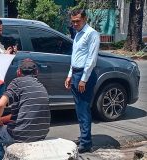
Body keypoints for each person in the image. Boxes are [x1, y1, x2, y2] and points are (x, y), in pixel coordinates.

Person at [0, 58, 51, 160]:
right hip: (41, 133)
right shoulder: (41, 86)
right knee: (5, 131)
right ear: (36, 72)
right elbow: (21, 114)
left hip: (22, 135)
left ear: (19, 72)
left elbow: (0, 105)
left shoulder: (17, 82)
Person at [64, 9, 100, 153]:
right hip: (76, 74)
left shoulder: (92, 34)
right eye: (72, 21)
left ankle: (86, 143)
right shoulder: (78, 33)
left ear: (84, 19)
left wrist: (83, 79)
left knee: (84, 109)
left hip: (85, 76)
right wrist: (69, 75)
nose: (75, 24)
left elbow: (91, 59)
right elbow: (76, 57)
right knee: (79, 109)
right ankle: (84, 137)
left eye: (77, 21)